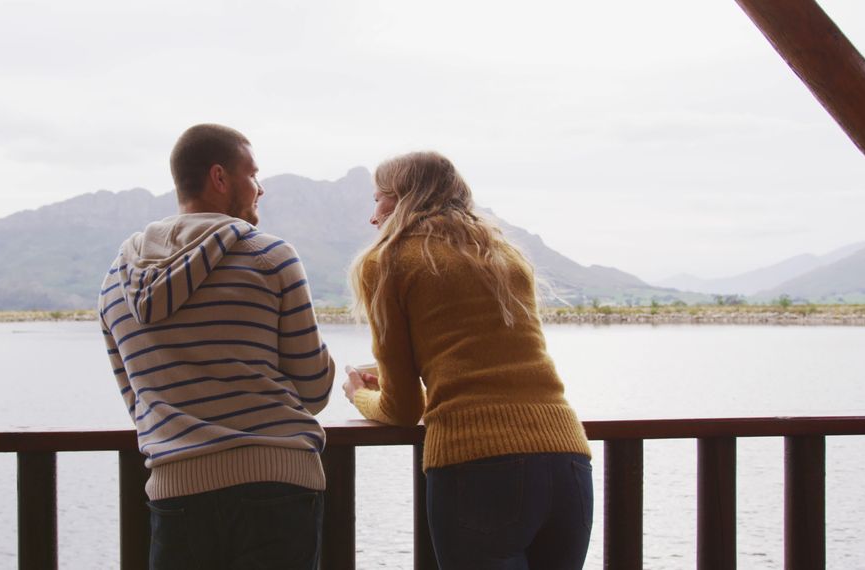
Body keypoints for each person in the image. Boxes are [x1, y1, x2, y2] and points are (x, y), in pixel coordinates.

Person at [99, 124, 334, 570]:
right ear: (220, 178)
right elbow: (314, 391)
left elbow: (137, 401)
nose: (260, 189)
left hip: (177, 492)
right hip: (278, 487)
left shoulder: (115, 281)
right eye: (253, 175)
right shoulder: (271, 257)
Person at [342, 151, 593, 569]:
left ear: (404, 198)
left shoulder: (388, 262)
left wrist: (359, 396)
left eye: (379, 199)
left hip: (476, 467)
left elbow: (403, 410)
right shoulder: (504, 256)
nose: (374, 216)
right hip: (567, 457)